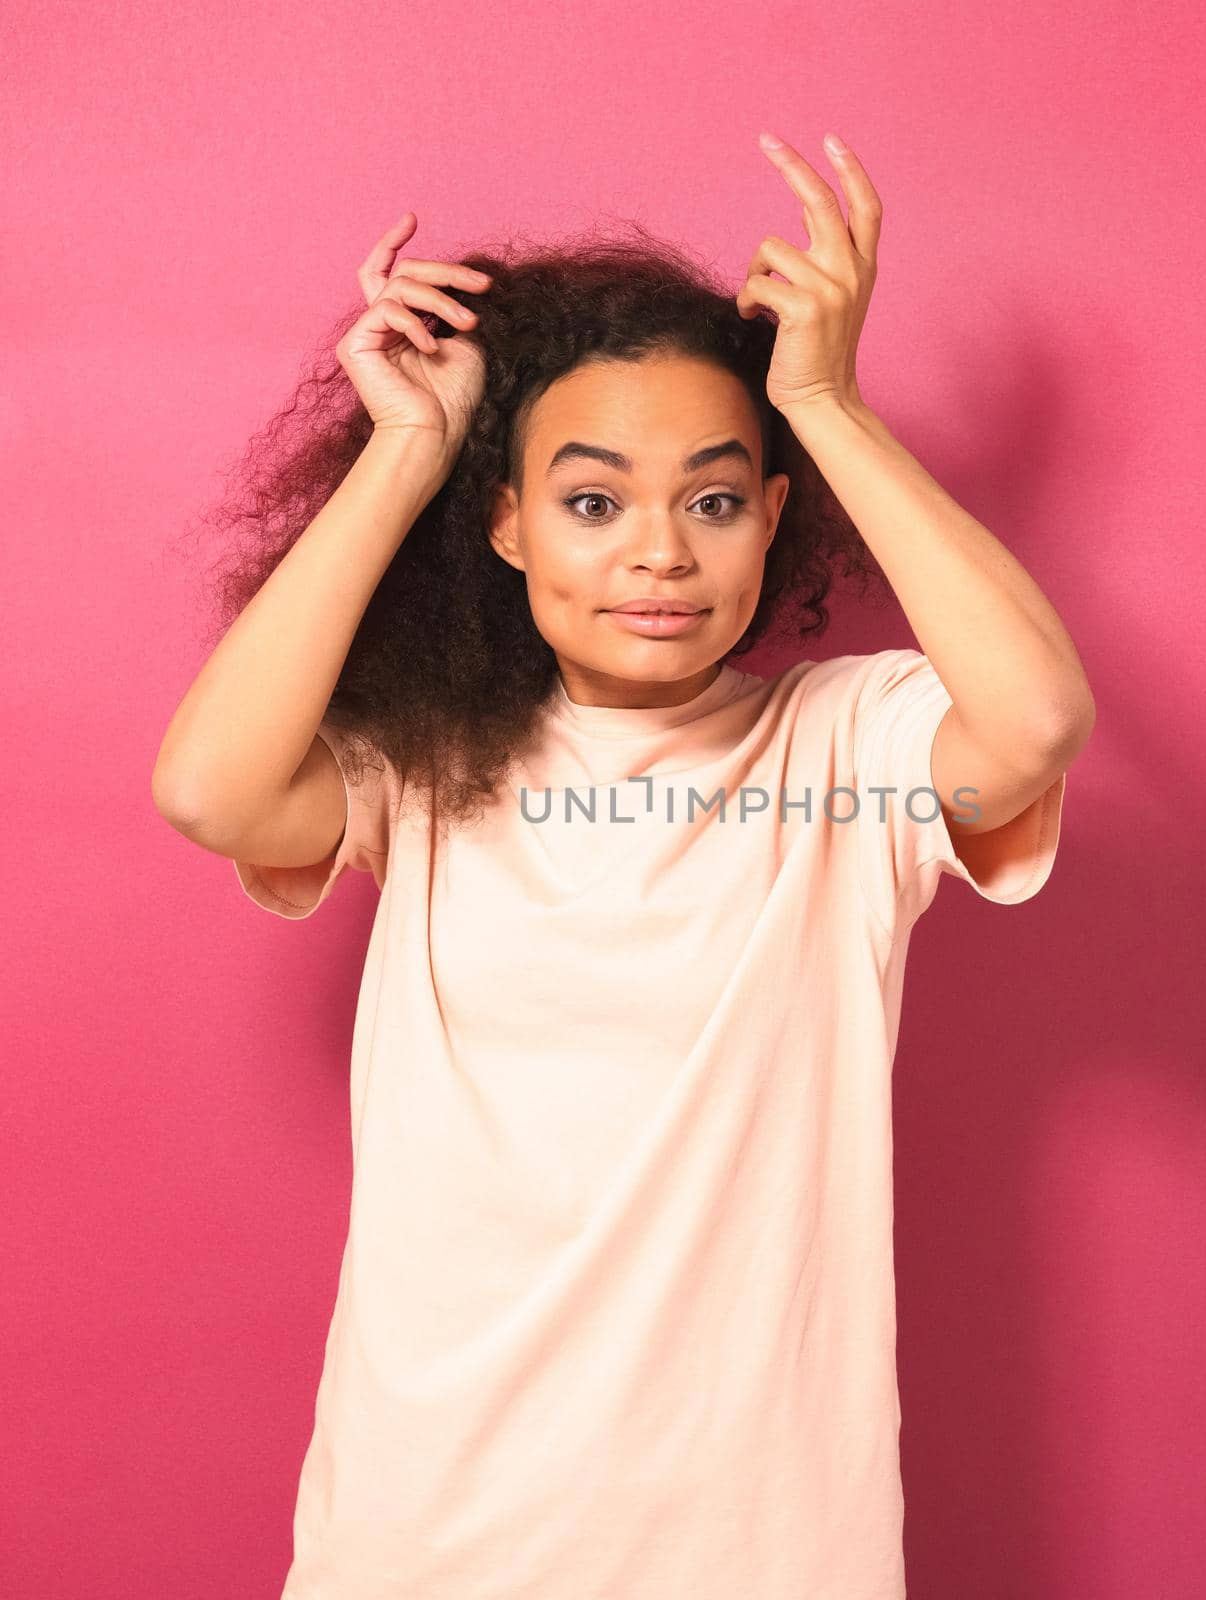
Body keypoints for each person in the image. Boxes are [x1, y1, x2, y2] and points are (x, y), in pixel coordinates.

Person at [154, 152, 1092, 1600]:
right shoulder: (427, 760)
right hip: (430, 1517)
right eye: (590, 506)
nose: (657, 552)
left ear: (773, 518)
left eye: (714, 502)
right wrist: (408, 451)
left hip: (760, 1537)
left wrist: (825, 402)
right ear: (509, 526)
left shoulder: (851, 746)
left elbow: (1031, 721)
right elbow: (209, 790)